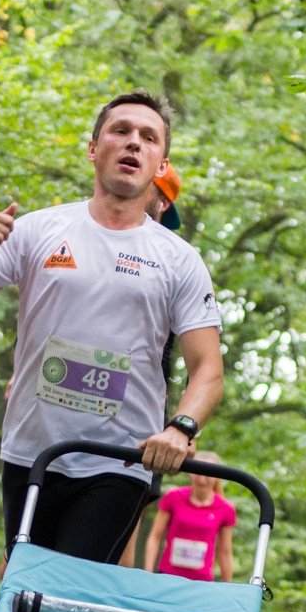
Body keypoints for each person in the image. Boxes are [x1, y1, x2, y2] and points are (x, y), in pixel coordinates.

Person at [0, 91, 224, 564]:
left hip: (121, 461)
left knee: (66, 589)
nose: (133, 144)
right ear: (92, 148)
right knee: (24, 583)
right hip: (31, 452)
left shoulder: (179, 260)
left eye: (148, 138)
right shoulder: (37, 230)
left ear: (160, 164)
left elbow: (208, 368)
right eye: (120, 131)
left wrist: (180, 429)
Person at [119, 163, 184, 567]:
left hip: (141, 403)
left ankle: (109, 611)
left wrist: (180, 424)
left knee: (130, 506)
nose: (159, 212)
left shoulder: (174, 261)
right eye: (157, 200)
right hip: (68, 394)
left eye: (163, 205)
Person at [143, 452, 236, 582]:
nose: (202, 479)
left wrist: (229, 588)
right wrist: (148, 574)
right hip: (167, 576)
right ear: (191, 473)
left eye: (209, 475)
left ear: (217, 477)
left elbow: (225, 552)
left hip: (201, 581)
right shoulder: (173, 497)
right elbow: (155, 536)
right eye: (198, 473)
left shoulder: (225, 509)